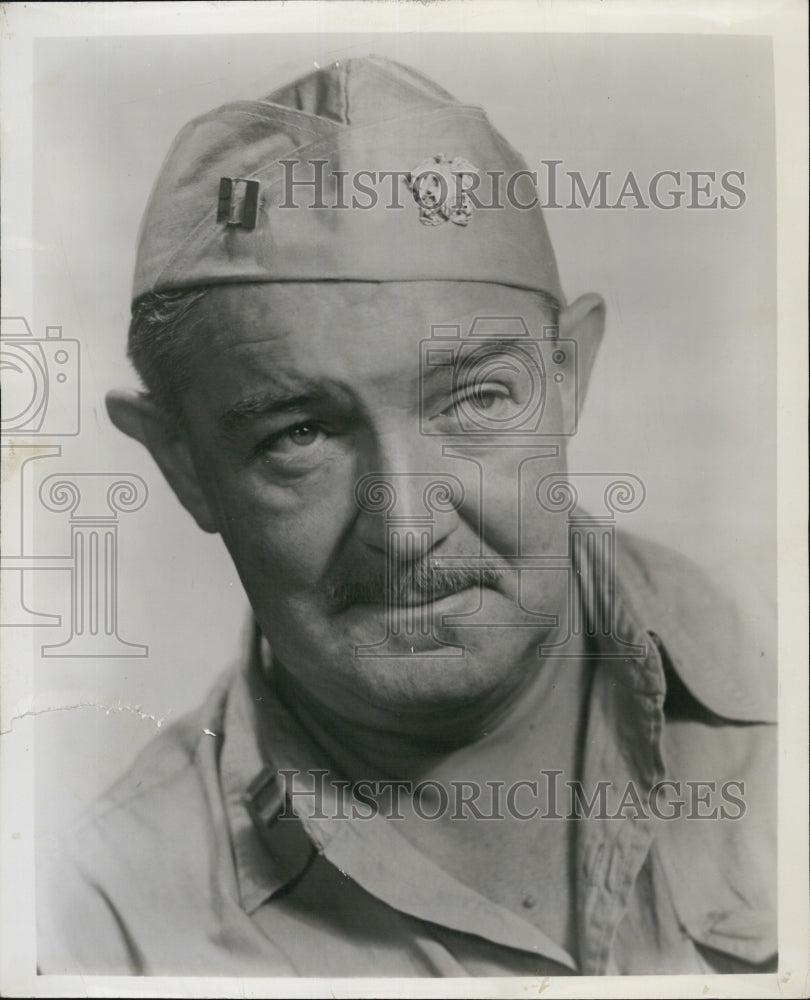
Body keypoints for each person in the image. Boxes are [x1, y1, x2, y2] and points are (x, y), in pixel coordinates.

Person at [38, 55, 776, 978]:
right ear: (183, 463)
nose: (408, 528)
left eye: (473, 402)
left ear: (567, 377)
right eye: (299, 433)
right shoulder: (97, 926)